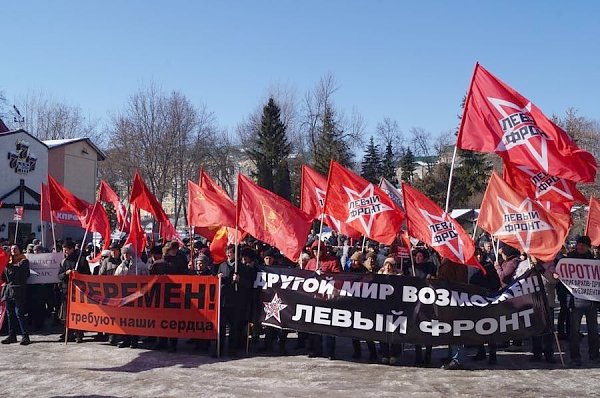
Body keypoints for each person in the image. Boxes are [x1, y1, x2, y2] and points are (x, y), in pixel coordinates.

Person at [304, 241, 342, 360]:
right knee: (313, 326)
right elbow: (304, 276)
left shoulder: (332, 261)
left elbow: (339, 277)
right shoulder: (311, 262)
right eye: (314, 250)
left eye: (318, 250)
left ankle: (330, 351)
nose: (316, 252)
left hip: (328, 298)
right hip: (314, 297)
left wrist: (324, 275)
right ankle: (315, 349)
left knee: (328, 326)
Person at [565, 236, 598, 366]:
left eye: (583, 245)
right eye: (579, 244)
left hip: (591, 302)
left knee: (593, 331)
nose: (580, 247)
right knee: (574, 332)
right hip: (575, 301)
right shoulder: (568, 260)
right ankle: (575, 357)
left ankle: (594, 355)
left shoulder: (594, 261)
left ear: (588, 247)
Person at [469, 248, 501, 365]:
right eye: (475, 255)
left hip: (487, 301)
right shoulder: (470, 267)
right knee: (478, 328)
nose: (478, 257)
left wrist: (487, 290)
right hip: (474, 302)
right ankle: (481, 351)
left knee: (490, 328)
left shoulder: (488, 266)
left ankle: (492, 354)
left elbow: (496, 283)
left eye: (479, 254)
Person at [113, 244, 149, 349]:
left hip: (136, 297)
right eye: (124, 253)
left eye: (127, 253)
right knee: (125, 319)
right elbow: (115, 279)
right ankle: (126, 340)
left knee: (134, 320)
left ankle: (134, 340)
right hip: (124, 297)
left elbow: (147, 279)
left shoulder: (141, 265)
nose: (125, 255)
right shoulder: (121, 266)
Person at [57, 240, 90, 343]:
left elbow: (88, 274)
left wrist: (78, 273)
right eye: (63, 250)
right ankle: (68, 333)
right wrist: (66, 273)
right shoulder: (63, 261)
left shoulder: (81, 260)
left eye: (66, 250)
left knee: (78, 313)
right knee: (67, 314)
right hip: (66, 290)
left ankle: (79, 334)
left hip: (78, 291)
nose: (65, 252)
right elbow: (59, 276)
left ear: (72, 249)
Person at [438, 257, 468, 370]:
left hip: (454, 298)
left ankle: (457, 359)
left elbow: (458, 281)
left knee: (456, 329)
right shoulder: (449, 260)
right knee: (450, 328)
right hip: (449, 298)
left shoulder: (455, 262)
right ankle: (451, 355)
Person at [347, 251, 378, 362]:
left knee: (366, 332)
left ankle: (373, 353)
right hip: (352, 303)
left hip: (363, 304)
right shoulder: (349, 271)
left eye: (355, 260)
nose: (353, 262)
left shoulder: (364, 272)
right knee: (354, 332)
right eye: (352, 260)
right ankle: (357, 351)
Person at [1, 245, 31, 345]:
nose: (13, 250)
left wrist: (6, 264)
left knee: (20, 314)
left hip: (19, 290)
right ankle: (12, 335)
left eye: (15, 248)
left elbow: (17, 271)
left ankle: (25, 336)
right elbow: (5, 277)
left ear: (19, 250)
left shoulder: (23, 260)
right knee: (10, 314)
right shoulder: (8, 262)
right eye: (11, 249)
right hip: (9, 291)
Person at [410, 249, 435, 366]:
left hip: (428, 305)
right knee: (416, 331)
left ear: (424, 258)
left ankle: (428, 356)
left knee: (428, 331)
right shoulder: (411, 268)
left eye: (420, 256)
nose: (418, 258)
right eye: (417, 256)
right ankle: (418, 356)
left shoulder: (430, 267)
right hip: (414, 304)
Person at [378, 256, 403, 365]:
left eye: (390, 265)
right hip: (382, 306)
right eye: (386, 264)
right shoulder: (379, 275)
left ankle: (394, 354)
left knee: (394, 332)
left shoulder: (399, 276)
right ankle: (384, 354)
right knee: (382, 331)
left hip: (395, 307)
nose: (388, 267)